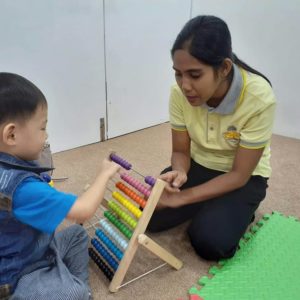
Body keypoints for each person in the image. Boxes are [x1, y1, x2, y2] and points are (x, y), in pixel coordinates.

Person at [148, 15, 276, 261]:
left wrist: (184, 198)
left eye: (194, 75)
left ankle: (238, 209)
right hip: (199, 165)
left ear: (225, 68)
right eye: (178, 74)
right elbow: (181, 151)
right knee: (148, 213)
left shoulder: (259, 98)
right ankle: (209, 203)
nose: (184, 85)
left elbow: (239, 175)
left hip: (244, 176)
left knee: (210, 242)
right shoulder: (178, 93)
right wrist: (180, 173)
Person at [0, 73, 120, 300]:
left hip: (35, 248)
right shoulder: (23, 188)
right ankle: (74, 291)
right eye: (42, 128)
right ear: (12, 134)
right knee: (73, 292)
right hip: (18, 275)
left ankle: (66, 284)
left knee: (77, 235)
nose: (47, 135)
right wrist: (104, 174)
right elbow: (82, 211)